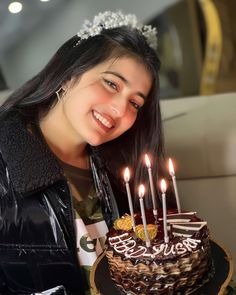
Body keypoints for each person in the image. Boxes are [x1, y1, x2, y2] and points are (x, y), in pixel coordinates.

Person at [0, 11, 167, 295]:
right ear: (69, 74)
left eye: (135, 104)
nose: (120, 110)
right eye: (112, 83)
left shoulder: (117, 170)